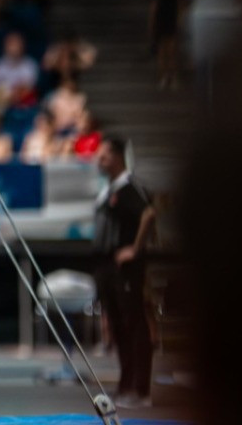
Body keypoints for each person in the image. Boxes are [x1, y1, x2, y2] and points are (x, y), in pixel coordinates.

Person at [95, 133, 156, 409]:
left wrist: (135, 248)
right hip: (108, 266)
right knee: (119, 326)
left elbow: (149, 214)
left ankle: (140, 388)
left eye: (105, 154)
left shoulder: (129, 187)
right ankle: (125, 383)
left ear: (118, 157)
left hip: (127, 268)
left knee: (134, 325)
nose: (100, 159)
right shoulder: (108, 190)